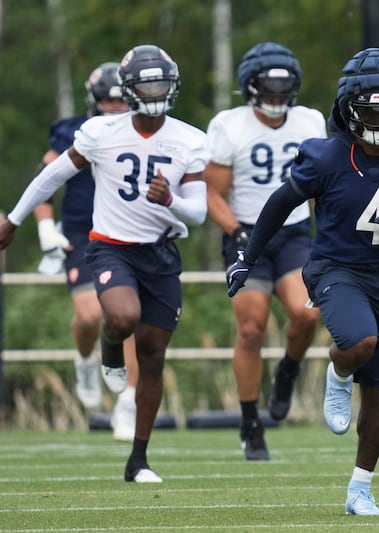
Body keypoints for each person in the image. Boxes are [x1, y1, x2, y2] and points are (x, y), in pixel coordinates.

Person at [226, 47, 379, 515]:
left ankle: (360, 489)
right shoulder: (325, 157)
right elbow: (281, 203)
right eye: (372, 110)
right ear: (350, 111)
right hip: (336, 269)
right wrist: (249, 256)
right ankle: (338, 370)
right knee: (359, 341)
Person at [0, 44, 209, 481]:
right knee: (122, 316)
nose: (154, 92)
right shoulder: (101, 132)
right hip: (111, 245)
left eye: (160, 83)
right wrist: (17, 218)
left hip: (162, 252)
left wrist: (170, 199)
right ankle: (111, 345)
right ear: (130, 89)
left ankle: (138, 459)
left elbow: (199, 211)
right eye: (146, 84)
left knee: (152, 358)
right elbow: (54, 174)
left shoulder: (191, 139)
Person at [206, 42, 324, 461]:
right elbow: (213, 195)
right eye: (268, 90)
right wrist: (235, 231)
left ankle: (288, 369)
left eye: (282, 91)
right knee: (252, 329)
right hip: (248, 234)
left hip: (293, 234)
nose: (276, 99)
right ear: (251, 88)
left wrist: (328, 229)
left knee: (308, 314)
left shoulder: (309, 120)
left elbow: (319, 186)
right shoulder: (228, 125)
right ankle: (250, 422)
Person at [31, 61, 138, 439]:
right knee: (92, 316)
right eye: (107, 101)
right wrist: (44, 223)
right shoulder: (74, 131)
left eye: (119, 100)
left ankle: (127, 402)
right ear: (94, 100)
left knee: (127, 318)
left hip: (128, 232)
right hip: (82, 231)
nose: (114, 107)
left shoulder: (143, 130)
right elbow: (44, 179)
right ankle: (84, 359)